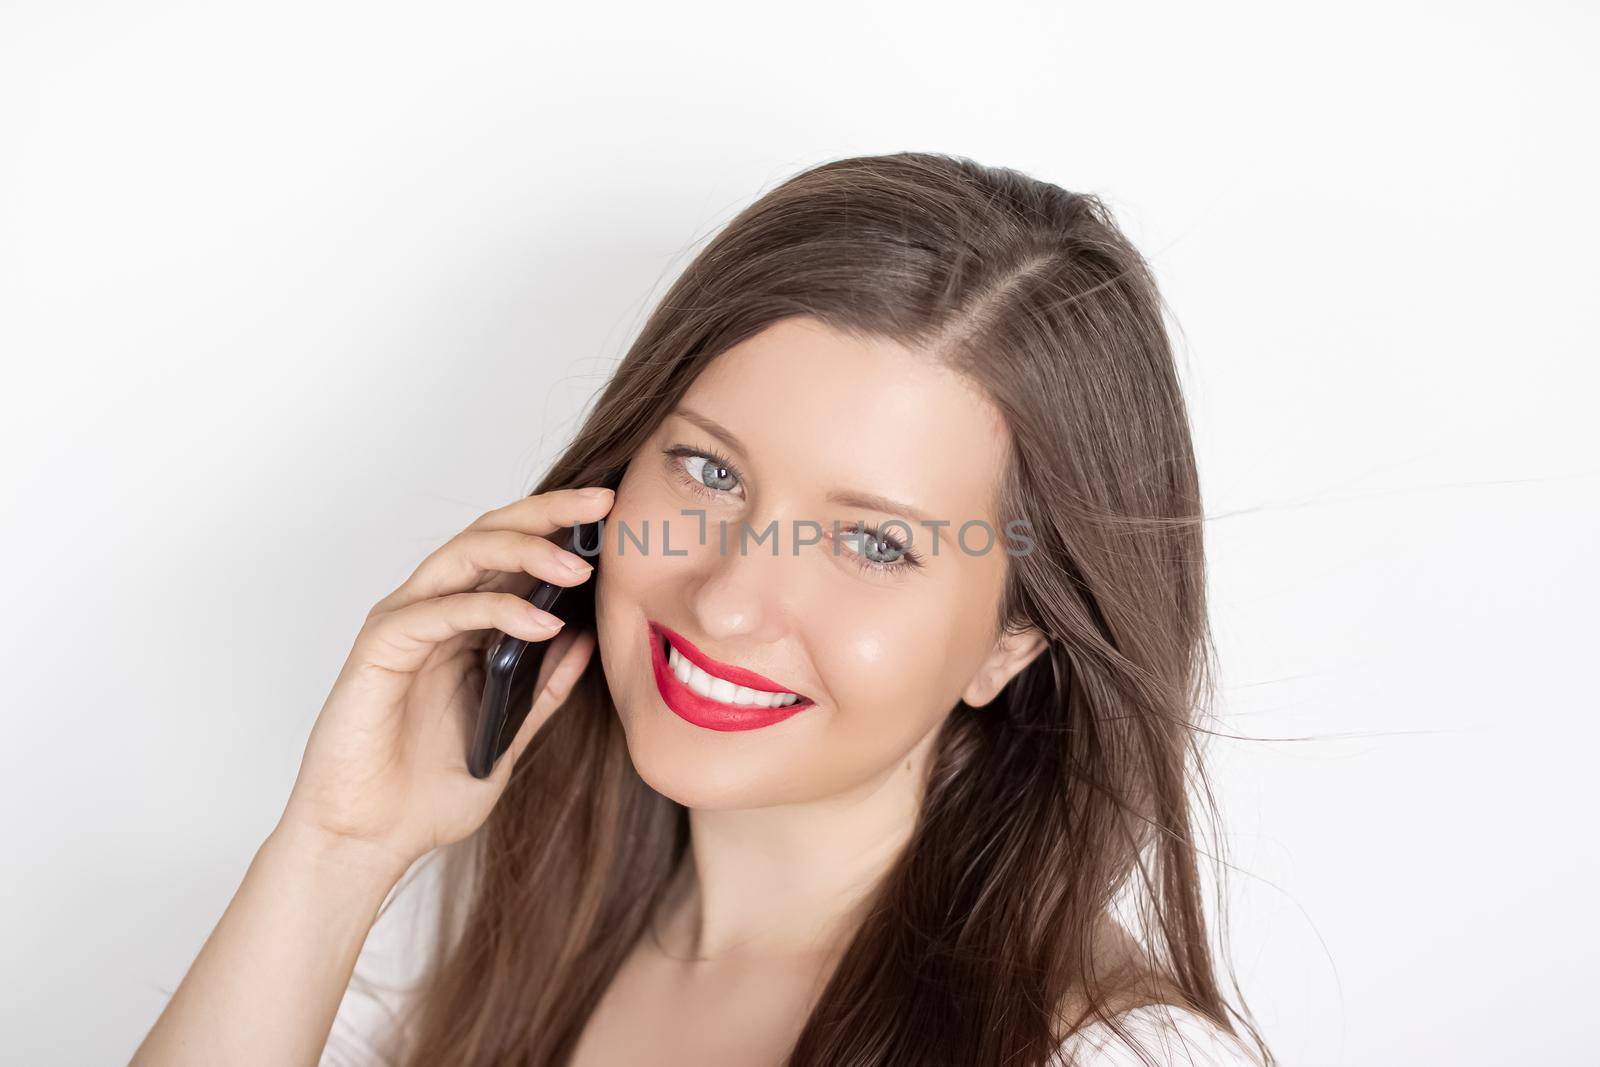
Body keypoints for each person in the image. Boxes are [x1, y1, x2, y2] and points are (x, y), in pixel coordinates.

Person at [130, 152, 1273, 1066]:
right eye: (710, 472)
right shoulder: (467, 927)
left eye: (872, 541)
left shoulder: (1102, 1049)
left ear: (1014, 640)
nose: (726, 599)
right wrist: (336, 849)